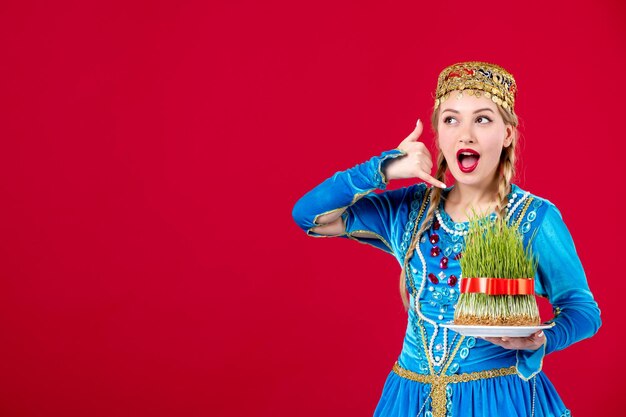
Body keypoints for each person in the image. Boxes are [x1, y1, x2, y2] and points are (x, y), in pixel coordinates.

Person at [291, 61, 602, 417]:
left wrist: (542, 339)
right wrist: (385, 168)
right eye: (451, 119)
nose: (464, 134)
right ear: (438, 133)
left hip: (499, 400)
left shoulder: (535, 217)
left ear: (508, 134)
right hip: (410, 398)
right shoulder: (408, 210)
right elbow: (309, 217)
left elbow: (582, 310)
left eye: (482, 119)